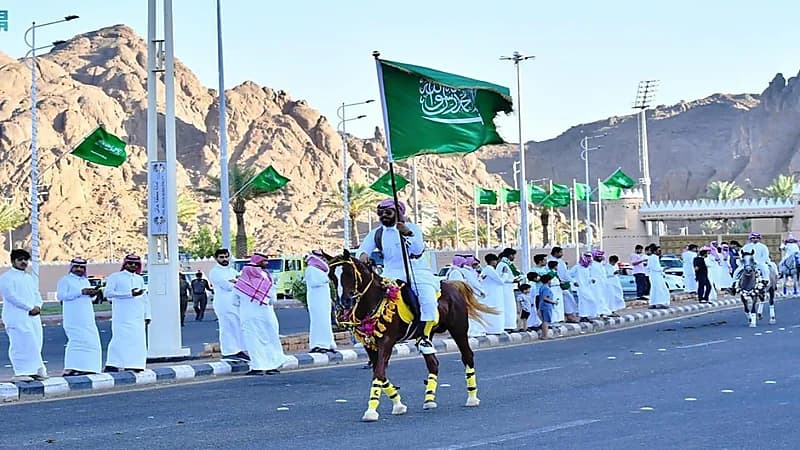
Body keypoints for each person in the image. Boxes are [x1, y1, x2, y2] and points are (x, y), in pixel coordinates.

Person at [358, 199, 438, 354]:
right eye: (381, 213)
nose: (384, 216)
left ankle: (424, 336)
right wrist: (362, 255)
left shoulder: (412, 228)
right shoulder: (377, 233)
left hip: (416, 272)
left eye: (388, 212)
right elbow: (363, 249)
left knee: (428, 300)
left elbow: (417, 250)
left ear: (398, 213)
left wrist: (407, 232)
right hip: (390, 274)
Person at [238, 253, 289, 375]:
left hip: (249, 317)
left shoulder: (241, 284)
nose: (267, 263)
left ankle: (258, 367)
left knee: (253, 342)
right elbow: (273, 300)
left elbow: (234, 302)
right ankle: (272, 366)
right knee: (270, 340)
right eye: (264, 261)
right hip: (267, 316)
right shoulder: (268, 281)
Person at [0, 249, 47, 381]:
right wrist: (29, 308)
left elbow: (36, 294)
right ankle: (21, 372)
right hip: (16, 317)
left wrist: (38, 306)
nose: (23, 262)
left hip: (33, 317)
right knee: (20, 344)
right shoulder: (6, 278)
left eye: (25, 259)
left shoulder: (29, 278)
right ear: (13, 261)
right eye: (20, 259)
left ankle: (34, 371)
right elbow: (11, 296)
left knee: (35, 342)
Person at [104, 254, 151, 372]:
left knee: (137, 341)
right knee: (119, 339)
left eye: (136, 264)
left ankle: (135, 365)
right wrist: (129, 294)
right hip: (122, 316)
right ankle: (113, 364)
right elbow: (108, 293)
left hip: (138, 316)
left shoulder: (139, 279)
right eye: (130, 263)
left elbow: (145, 298)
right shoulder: (115, 277)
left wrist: (148, 315)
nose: (133, 265)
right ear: (125, 264)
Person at [56, 257, 102, 376]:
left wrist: (92, 294)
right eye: (76, 266)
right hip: (73, 318)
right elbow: (61, 296)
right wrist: (80, 292)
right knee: (76, 342)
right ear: (71, 267)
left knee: (91, 341)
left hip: (87, 317)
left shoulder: (85, 281)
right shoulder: (65, 280)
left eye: (82, 267)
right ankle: (70, 368)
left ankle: (88, 367)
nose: (79, 269)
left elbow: (90, 299)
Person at [209, 248, 248, 361]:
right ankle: (228, 352)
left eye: (226, 257)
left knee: (237, 326)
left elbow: (242, 282)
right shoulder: (215, 272)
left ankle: (238, 350)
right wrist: (236, 282)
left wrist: (235, 281)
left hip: (235, 303)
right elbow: (228, 286)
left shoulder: (231, 270)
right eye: (221, 257)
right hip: (223, 303)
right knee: (227, 327)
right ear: (216, 258)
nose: (224, 259)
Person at [447, 255, 488, 337]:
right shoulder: (459, 272)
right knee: (471, 315)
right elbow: (471, 284)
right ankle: (472, 331)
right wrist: (482, 292)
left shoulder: (453, 271)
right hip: (465, 296)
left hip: (459, 297)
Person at [305, 250, 337, 354]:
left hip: (324, 301)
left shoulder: (320, 270)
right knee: (318, 322)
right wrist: (325, 279)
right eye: (320, 257)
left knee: (325, 321)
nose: (323, 259)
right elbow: (314, 282)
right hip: (316, 301)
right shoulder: (311, 269)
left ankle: (328, 343)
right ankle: (318, 344)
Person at [548, 247, 579, 323]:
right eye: (560, 252)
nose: (562, 254)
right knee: (563, 301)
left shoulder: (561, 262)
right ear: (556, 253)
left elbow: (566, 274)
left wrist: (573, 281)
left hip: (564, 285)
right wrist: (559, 281)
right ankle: (568, 316)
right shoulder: (550, 262)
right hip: (555, 285)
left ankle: (569, 316)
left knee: (569, 300)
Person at [570, 252, 602, 321]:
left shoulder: (588, 268)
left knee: (590, 301)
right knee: (584, 302)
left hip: (588, 287)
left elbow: (589, 276)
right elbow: (569, 275)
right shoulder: (577, 267)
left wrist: (592, 279)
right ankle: (583, 316)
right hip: (580, 287)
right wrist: (574, 282)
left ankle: (586, 315)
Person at [479, 253, 505, 334]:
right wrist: (505, 274)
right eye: (495, 260)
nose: (496, 262)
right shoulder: (489, 269)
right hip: (492, 295)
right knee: (494, 311)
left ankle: (495, 329)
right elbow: (501, 281)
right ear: (492, 261)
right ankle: (494, 329)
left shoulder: (488, 269)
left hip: (491, 294)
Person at [497, 248, 522, 332]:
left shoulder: (509, 264)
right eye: (513, 255)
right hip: (505, 289)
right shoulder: (502, 264)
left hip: (510, 288)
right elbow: (499, 277)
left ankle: (511, 325)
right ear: (509, 255)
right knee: (507, 307)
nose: (514, 257)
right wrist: (512, 280)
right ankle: (506, 326)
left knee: (511, 308)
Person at [589, 249, 613, 318]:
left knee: (604, 298)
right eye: (598, 256)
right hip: (595, 285)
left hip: (603, 285)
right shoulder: (591, 265)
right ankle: (598, 313)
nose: (600, 257)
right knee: (597, 298)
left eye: (601, 256)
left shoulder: (602, 265)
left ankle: (604, 312)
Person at [646, 245, 670, 309]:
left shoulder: (651, 257)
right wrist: (663, 269)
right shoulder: (654, 257)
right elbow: (656, 268)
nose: (660, 252)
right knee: (660, 289)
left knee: (655, 289)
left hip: (654, 275)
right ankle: (661, 303)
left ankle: (653, 303)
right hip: (656, 276)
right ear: (654, 251)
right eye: (659, 251)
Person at [538, 274, 558, 339]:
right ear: (548, 280)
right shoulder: (546, 288)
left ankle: (543, 335)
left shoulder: (542, 287)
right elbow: (545, 298)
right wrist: (553, 302)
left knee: (544, 321)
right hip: (546, 306)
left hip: (542, 305)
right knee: (546, 321)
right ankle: (545, 335)